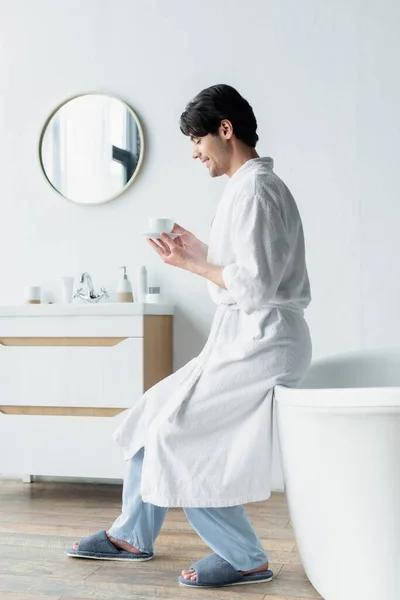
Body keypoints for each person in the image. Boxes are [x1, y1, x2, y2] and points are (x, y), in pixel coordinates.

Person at [68, 84, 312, 589]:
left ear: (226, 129)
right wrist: (199, 250)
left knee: (177, 435)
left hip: (262, 343)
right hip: (243, 337)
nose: (195, 153)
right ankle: (131, 535)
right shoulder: (244, 188)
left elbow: (258, 284)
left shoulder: (258, 191)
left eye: (198, 140)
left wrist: (193, 263)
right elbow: (245, 266)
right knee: (154, 413)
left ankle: (245, 556)